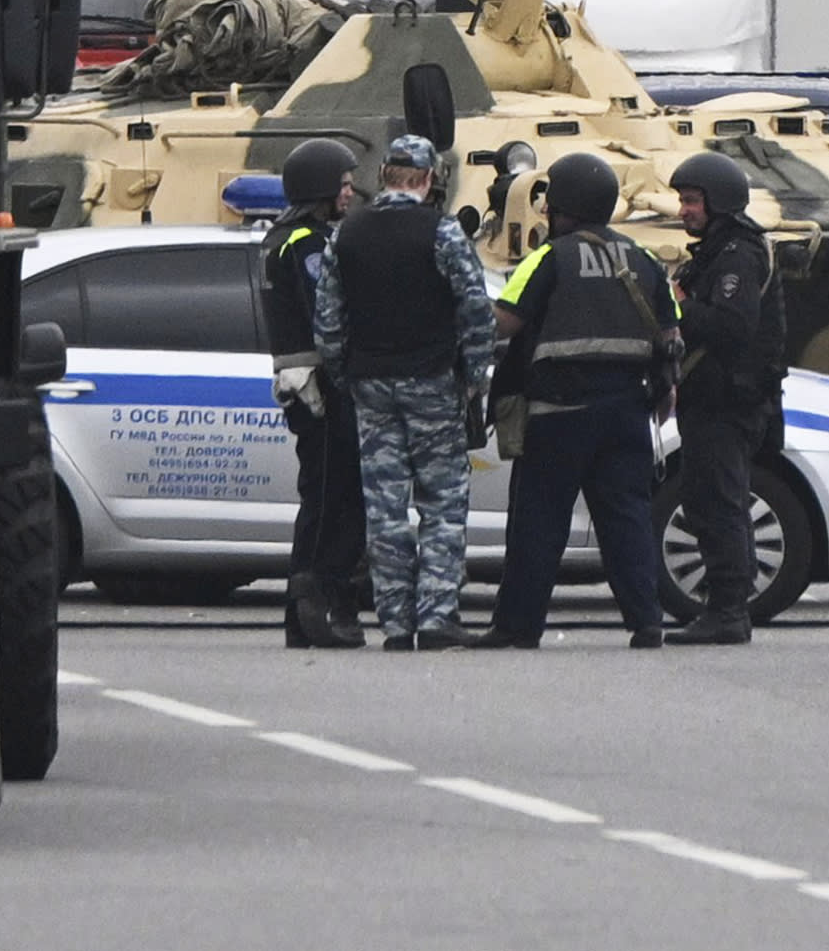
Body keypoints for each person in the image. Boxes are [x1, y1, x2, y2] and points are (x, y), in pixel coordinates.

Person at [477, 153, 677, 651]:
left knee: (539, 524)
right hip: (628, 414)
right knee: (627, 520)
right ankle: (646, 623)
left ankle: (517, 627)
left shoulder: (549, 258)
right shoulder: (644, 259)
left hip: (557, 418)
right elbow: (671, 332)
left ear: (560, 204)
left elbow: (504, 321)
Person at [314, 135, 496, 651]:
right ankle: (436, 616)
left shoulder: (347, 234)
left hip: (371, 385)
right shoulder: (440, 232)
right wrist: (476, 374)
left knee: (385, 507)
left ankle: (395, 622)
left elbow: (328, 320)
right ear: (427, 178)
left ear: (386, 176)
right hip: (433, 382)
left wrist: (344, 374)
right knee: (442, 502)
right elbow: (474, 308)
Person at [664, 153, 786, 647]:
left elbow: (732, 328)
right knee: (707, 500)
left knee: (720, 503)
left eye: (692, 201)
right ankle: (723, 606)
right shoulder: (716, 253)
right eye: (682, 200)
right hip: (711, 400)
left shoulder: (738, 255)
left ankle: (729, 610)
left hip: (727, 402)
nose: (683, 211)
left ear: (720, 203)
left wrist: (678, 305)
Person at [262, 138, 367, 650]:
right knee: (332, 503)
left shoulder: (287, 236)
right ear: (321, 188)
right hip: (322, 388)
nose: (350, 192)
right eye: (344, 184)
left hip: (309, 388)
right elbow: (325, 315)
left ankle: (303, 616)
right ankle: (319, 608)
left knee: (323, 499)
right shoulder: (305, 242)